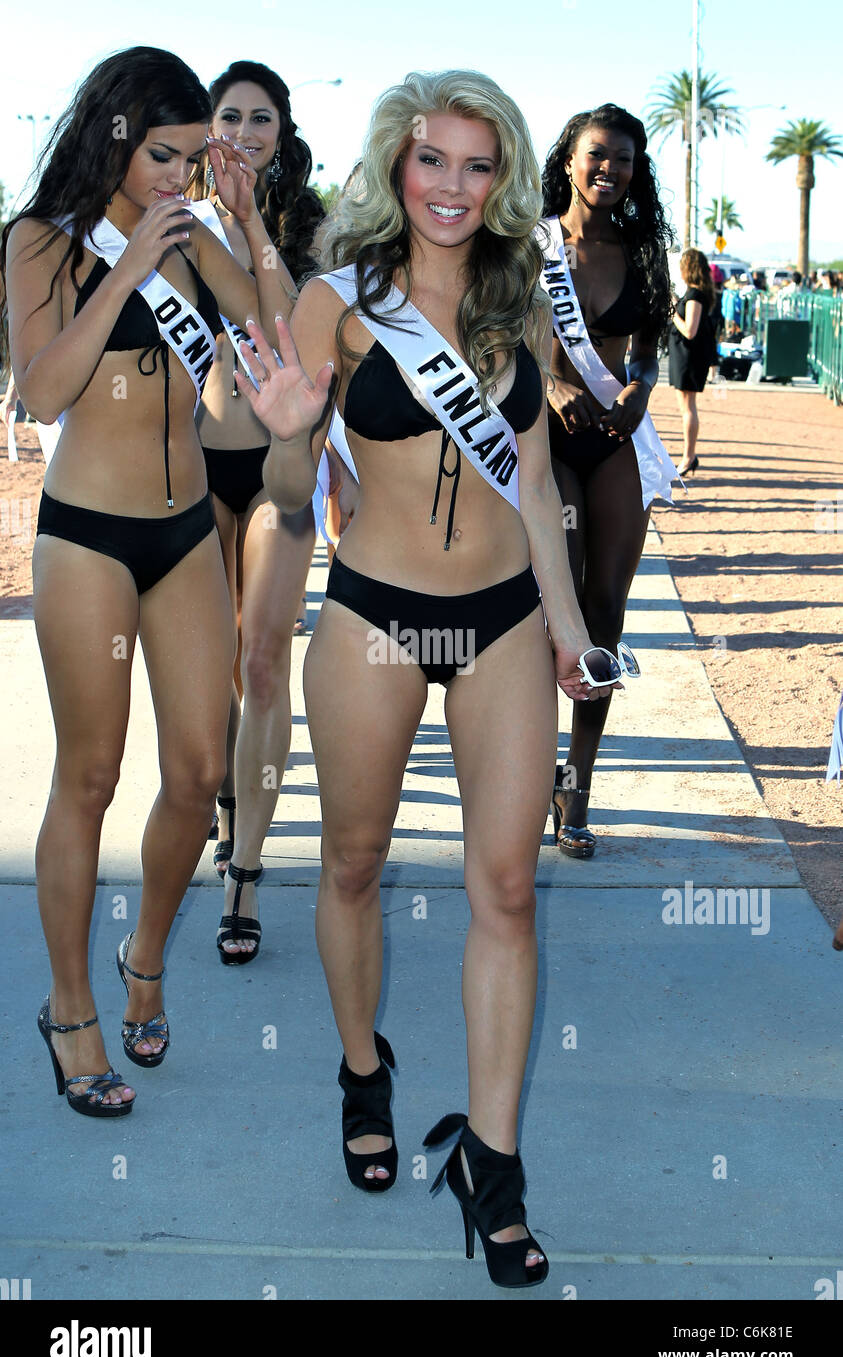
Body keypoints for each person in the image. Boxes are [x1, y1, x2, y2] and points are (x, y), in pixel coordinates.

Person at [235, 69, 620, 1288]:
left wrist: (568, 629)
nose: (452, 186)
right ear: (395, 168)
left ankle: (491, 1168)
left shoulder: (521, 297)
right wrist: (293, 431)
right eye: (430, 160)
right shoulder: (335, 303)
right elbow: (293, 501)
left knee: (505, 891)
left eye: (475, 163)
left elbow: (543, 486)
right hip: (375, 615)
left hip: (502, 618)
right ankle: (363, 1070)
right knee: (352, 862)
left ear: (502, 176)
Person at [1, 46, 291, 1116]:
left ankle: (147, 956)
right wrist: (128, 267)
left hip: (182, 537)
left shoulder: (199, 236)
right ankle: (70, 1007)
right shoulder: (40, 240)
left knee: (199, 766)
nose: (178, 175)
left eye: (192, 155)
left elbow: (284, 329)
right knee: (89, 774)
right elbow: (40, 390)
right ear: (115, 138)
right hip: (86, 537)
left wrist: (247, 223)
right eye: (162, 154)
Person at [195, 60, 323, 962]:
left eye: (261, 118)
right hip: (192, 471)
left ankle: (243, 872)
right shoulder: (173, 217)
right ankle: (228, 796)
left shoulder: (315, 230)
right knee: (214, 667)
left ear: (282, 132)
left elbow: (308, 343)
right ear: (209, 127)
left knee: (265, 662)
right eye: (230, 115)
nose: (245, 130)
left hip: (282, 470)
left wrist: (252, 227)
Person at [541, 104, 675, 857]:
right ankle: (528, 770)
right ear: (568, 159)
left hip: (614, 439)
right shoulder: (529, 248)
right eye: (596, 154)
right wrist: (549, 386)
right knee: (549, 609)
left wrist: (639, 391)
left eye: (622, 159)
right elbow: (497, 338)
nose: (608, 169)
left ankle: (577, 791)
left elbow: (647, 350)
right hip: (547, 441)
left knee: (605, 617)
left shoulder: (641, 249)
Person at [668, 248, 716, 478]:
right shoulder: (695, 293)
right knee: (686, 406)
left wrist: (672, 312)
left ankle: (689, 455)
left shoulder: (695, 295)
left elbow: (689, 330)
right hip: (686, 356)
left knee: (688, 407)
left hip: (689, 357)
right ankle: (689, 455)